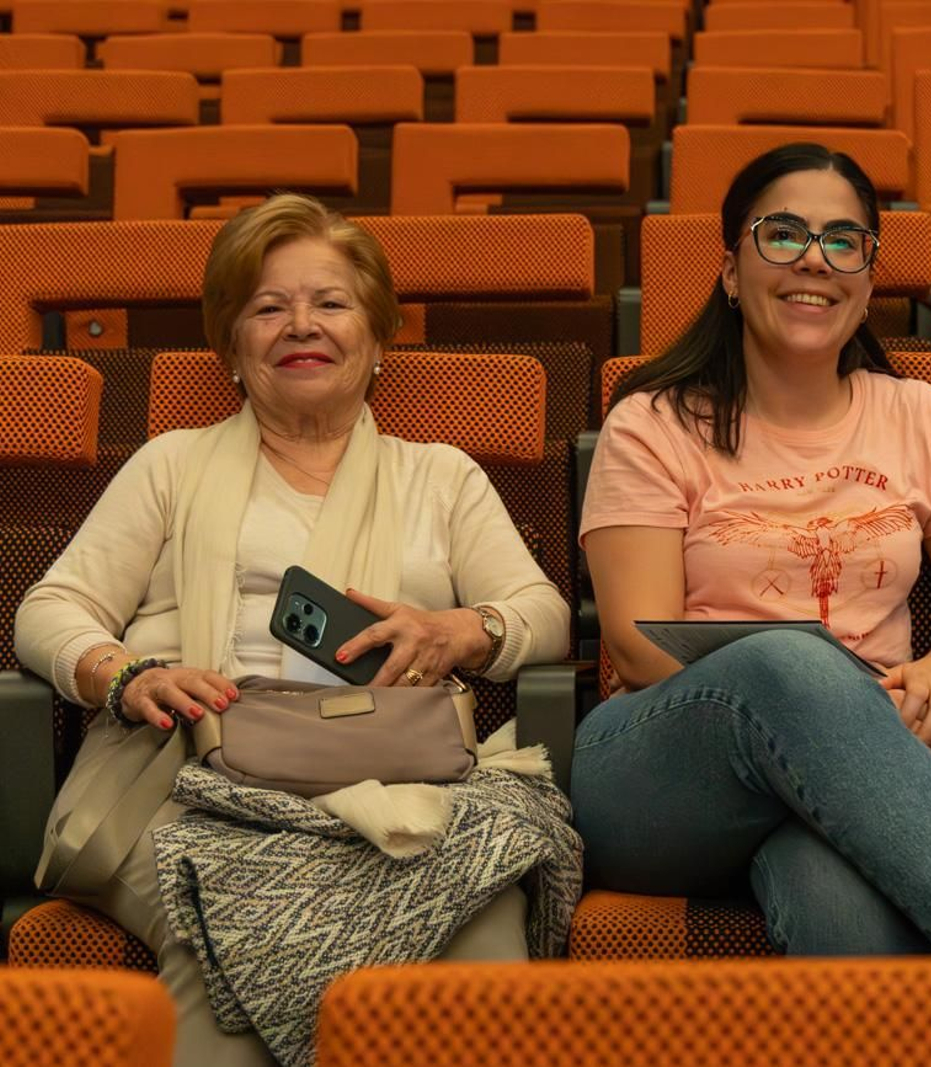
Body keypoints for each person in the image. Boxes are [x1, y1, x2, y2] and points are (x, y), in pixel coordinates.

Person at [16, 194, 571, 1066]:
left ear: (378, 337)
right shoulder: (172, 463)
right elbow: (50, 609)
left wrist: (460, 629)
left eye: (331, 303)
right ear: (232, 346)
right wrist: (124, 673)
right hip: (194, 781)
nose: (299, 325)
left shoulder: (441, 477)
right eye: (268, 307)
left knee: (485, 906)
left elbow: (542, 614)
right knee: (238, 923)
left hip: (396, 783)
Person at [574, 143, 931, 959]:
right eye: (783, 234)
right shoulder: (654, 422)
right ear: (733, 271)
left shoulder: (924, 416)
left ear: (869, 278)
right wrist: (816, 710)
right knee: (790, 662)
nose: (815, 259)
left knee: (843, 916)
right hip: (662, 769)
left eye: (844, 242)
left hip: (860, 776)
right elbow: (638, 646)